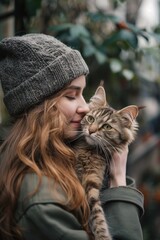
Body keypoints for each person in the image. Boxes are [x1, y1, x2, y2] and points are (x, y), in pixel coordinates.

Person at [0, 33, 144, 240]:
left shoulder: (53, 155)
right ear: (38, 106)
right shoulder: (41, 201)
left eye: (83, 94)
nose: (85, 108)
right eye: (71, 95)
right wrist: (118, 180)